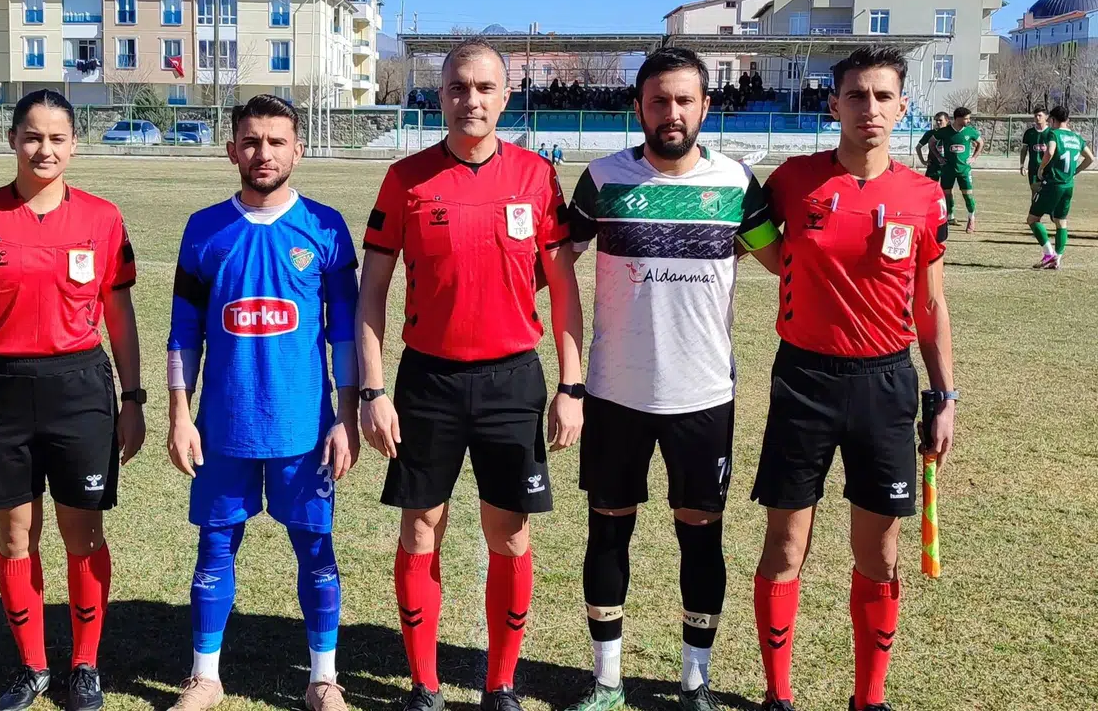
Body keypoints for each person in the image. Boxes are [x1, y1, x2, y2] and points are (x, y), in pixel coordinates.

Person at [358, 38, 586, 711]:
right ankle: (424, 685)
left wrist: (571, 387)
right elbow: (372, 292)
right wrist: (373, 389)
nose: (471, 100)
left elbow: (565, 290)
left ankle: (500, 684)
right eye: (458, 87)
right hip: (427, 381)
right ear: (440, 95)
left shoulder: (537, 178)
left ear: (506, 96)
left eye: (485, 87)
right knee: (420, 528)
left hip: (512, 382)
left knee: (509, 533)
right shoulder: (405, 179)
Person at [562, 47, 783, 711]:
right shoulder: (602, 180)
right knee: (608, 530)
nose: (672, 112)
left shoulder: (737, 184)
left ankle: (694, 682)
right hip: (615, 393)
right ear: (639, 107)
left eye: (685, 100)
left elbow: (785, 260)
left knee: (701, 533)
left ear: (706, 107)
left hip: (703, 393)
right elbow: (552, 263)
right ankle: (606, 682)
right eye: (659, 101)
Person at [751, 46, 956, 711]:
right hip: (803, 379)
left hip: (885, 385)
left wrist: (944, 396)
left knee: (881, 551)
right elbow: (754, 240)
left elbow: (931, 305)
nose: (869, 108)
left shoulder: (923, 196)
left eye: (882, 96)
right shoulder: (794, 180)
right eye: (856, 95)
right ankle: (777, 695)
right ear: (834, 104)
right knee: (786, 544)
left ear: (902, 106)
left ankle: (869, 698)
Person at [0, 89, 146, 711]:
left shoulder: (103, 219)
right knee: (15, 537)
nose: (43, 149)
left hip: (79, 389)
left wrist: (132, 399)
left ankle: (84, 666)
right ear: (12, 140)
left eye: (57, 138)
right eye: (32, 136)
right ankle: (32, 667)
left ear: (74, 144)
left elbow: (120, 317)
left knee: (83, 533)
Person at [165, 95, 361, 711]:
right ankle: (205, 677)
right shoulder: (204, 229)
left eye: (276, 141)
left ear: (298, 149)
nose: (264, 153)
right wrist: (179, 415)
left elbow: (345, 332)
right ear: (232, 150)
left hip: (305, 427)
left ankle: (323, 679)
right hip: (224, 426)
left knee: (316, 547)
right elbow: (183, 332)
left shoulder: (325, 228)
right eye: (251, 141)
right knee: (215, 544)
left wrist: (347, 417)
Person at [1027, 105, 1094, 270]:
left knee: (1033, 219)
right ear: (1068, 120)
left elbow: (1050, 152)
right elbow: (1090, 158)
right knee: (1060, 221)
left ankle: (1049, 253)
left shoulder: (1054, 133)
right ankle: (1057, 258)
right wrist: (1075, 171)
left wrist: (1041, 168)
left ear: (1052, 120)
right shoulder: (1076, 137)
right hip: (1068, 185)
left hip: (1053, 183)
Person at [931, 106, 982, 232]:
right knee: (946, 195)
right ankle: (948, 217)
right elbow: (932, 142)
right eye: (966, 118)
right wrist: (939, 157)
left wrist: (974, 157)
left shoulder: (970, 131)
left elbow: (981, 143)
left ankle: (971, 217)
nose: (968, 121)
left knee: (968, 195)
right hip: (948, 169)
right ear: (958, 119)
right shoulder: (945, 131)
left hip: (964, 170)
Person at [1020, 106, 1049, 195]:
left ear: (1046, 117)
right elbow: (1024, 149)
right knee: (1035, 192)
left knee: (1048, 193)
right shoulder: (1029, 133)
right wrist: (1022, 165)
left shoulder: (1051, 132)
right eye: (1035, 116)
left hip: (1047, 168)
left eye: (1040, 115)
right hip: (1033, 167)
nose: (1037, 118)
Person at [915, 112, 949, 181]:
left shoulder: (951, 133)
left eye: (940, 120)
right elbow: (918, 147)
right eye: (936, 120)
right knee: (929, 186)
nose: (938, 122)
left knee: (946, 187)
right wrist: (923, 161)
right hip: (933, 166)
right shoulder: (930, 133)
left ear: (947, 120)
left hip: (947, 166)